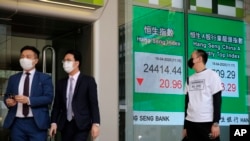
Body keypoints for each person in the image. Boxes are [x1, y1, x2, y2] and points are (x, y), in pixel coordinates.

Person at [3, 45, 54, 141]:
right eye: (22, 56)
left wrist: (29, 100)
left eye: (28, 57)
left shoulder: (44, 78)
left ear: (36, 60)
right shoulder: (13, 78)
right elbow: (7, 96)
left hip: (36, 122)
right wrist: (8, 102)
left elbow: (49, 97)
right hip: (17, 122)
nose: (24, 59)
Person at [49, 50, 100, 141]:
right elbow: (57, 105)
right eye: (64, 60)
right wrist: (53, 122)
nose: (65, 63)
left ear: (77, 63)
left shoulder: (88, 81)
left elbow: (93, 103)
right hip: (65, 124)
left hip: (81, 123)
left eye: (68, 60)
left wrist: (95, 123)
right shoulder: (61, 83)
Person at [183, 49, 223, 141]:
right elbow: (187, 104)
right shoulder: (190, 79)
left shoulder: (212, 75)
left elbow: (217, 101)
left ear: (199, 59)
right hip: (191, 123)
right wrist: (185, 127)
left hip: (207, 123)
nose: (190, 60)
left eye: (192, 57)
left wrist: (216, 123)